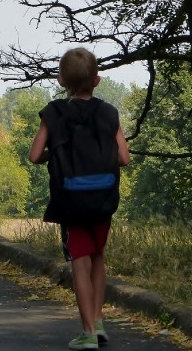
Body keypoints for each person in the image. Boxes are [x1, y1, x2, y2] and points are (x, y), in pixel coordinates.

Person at [28, 47, 131, 351]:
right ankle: (98, 323)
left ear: (61, 80)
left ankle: (86, 332)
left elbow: (34, 156)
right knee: (98, 256)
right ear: (97, 80)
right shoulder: (108, 113)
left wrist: (55, 154)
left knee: (79, 262)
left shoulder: (54, 113)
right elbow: (124, 157)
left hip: (71, 201)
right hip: (103, 198)